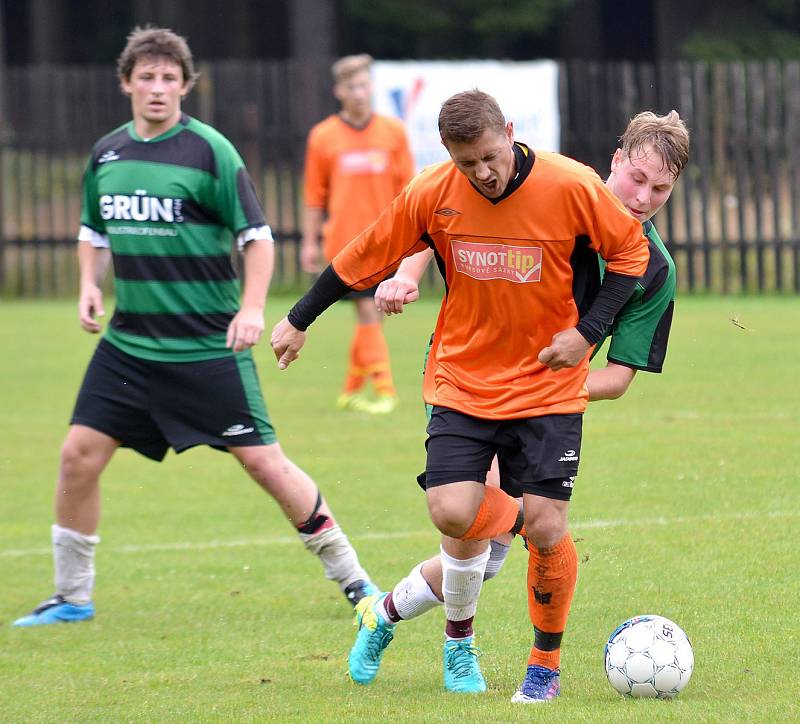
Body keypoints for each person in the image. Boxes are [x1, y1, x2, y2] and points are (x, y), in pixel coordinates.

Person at [271, 89, 653, 702]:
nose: (482, 174)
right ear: (447, 154)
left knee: (531, 534)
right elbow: (366, 254)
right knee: (455, 513)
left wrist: (586, 334)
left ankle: (543, 666)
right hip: (462, 380)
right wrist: (298, 317)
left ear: (509, 131)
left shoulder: (570, 185)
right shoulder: (432, 190)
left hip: (546, 387)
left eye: (489, 157)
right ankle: (524, 543)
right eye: (465, 162)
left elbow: (631, 255)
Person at [12, 27, 378, 628]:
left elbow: (256, 239)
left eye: (169, 78)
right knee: (77, 456)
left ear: (186, 86)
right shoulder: (107, 154)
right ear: (126, 82)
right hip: (128, 347)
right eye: (147, 77)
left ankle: (355, 580)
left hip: (207, 346)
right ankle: (72, 595)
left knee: (264, 463)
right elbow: (93, 233)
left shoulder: (210, 151)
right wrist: (87, 283)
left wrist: (253, 308)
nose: (158, 89)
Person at [301, 54, 415, 414]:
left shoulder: (393, 132)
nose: (360, 93)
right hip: (346, 243)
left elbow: (409, 190)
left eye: (365, 85)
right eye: (352, 86)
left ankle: (350, 388)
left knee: (373, 318)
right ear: (339, 91)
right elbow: (313, 195)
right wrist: (308, 240)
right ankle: (385, 390)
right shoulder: (323, 136)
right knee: (368, 312)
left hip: (389, 241)